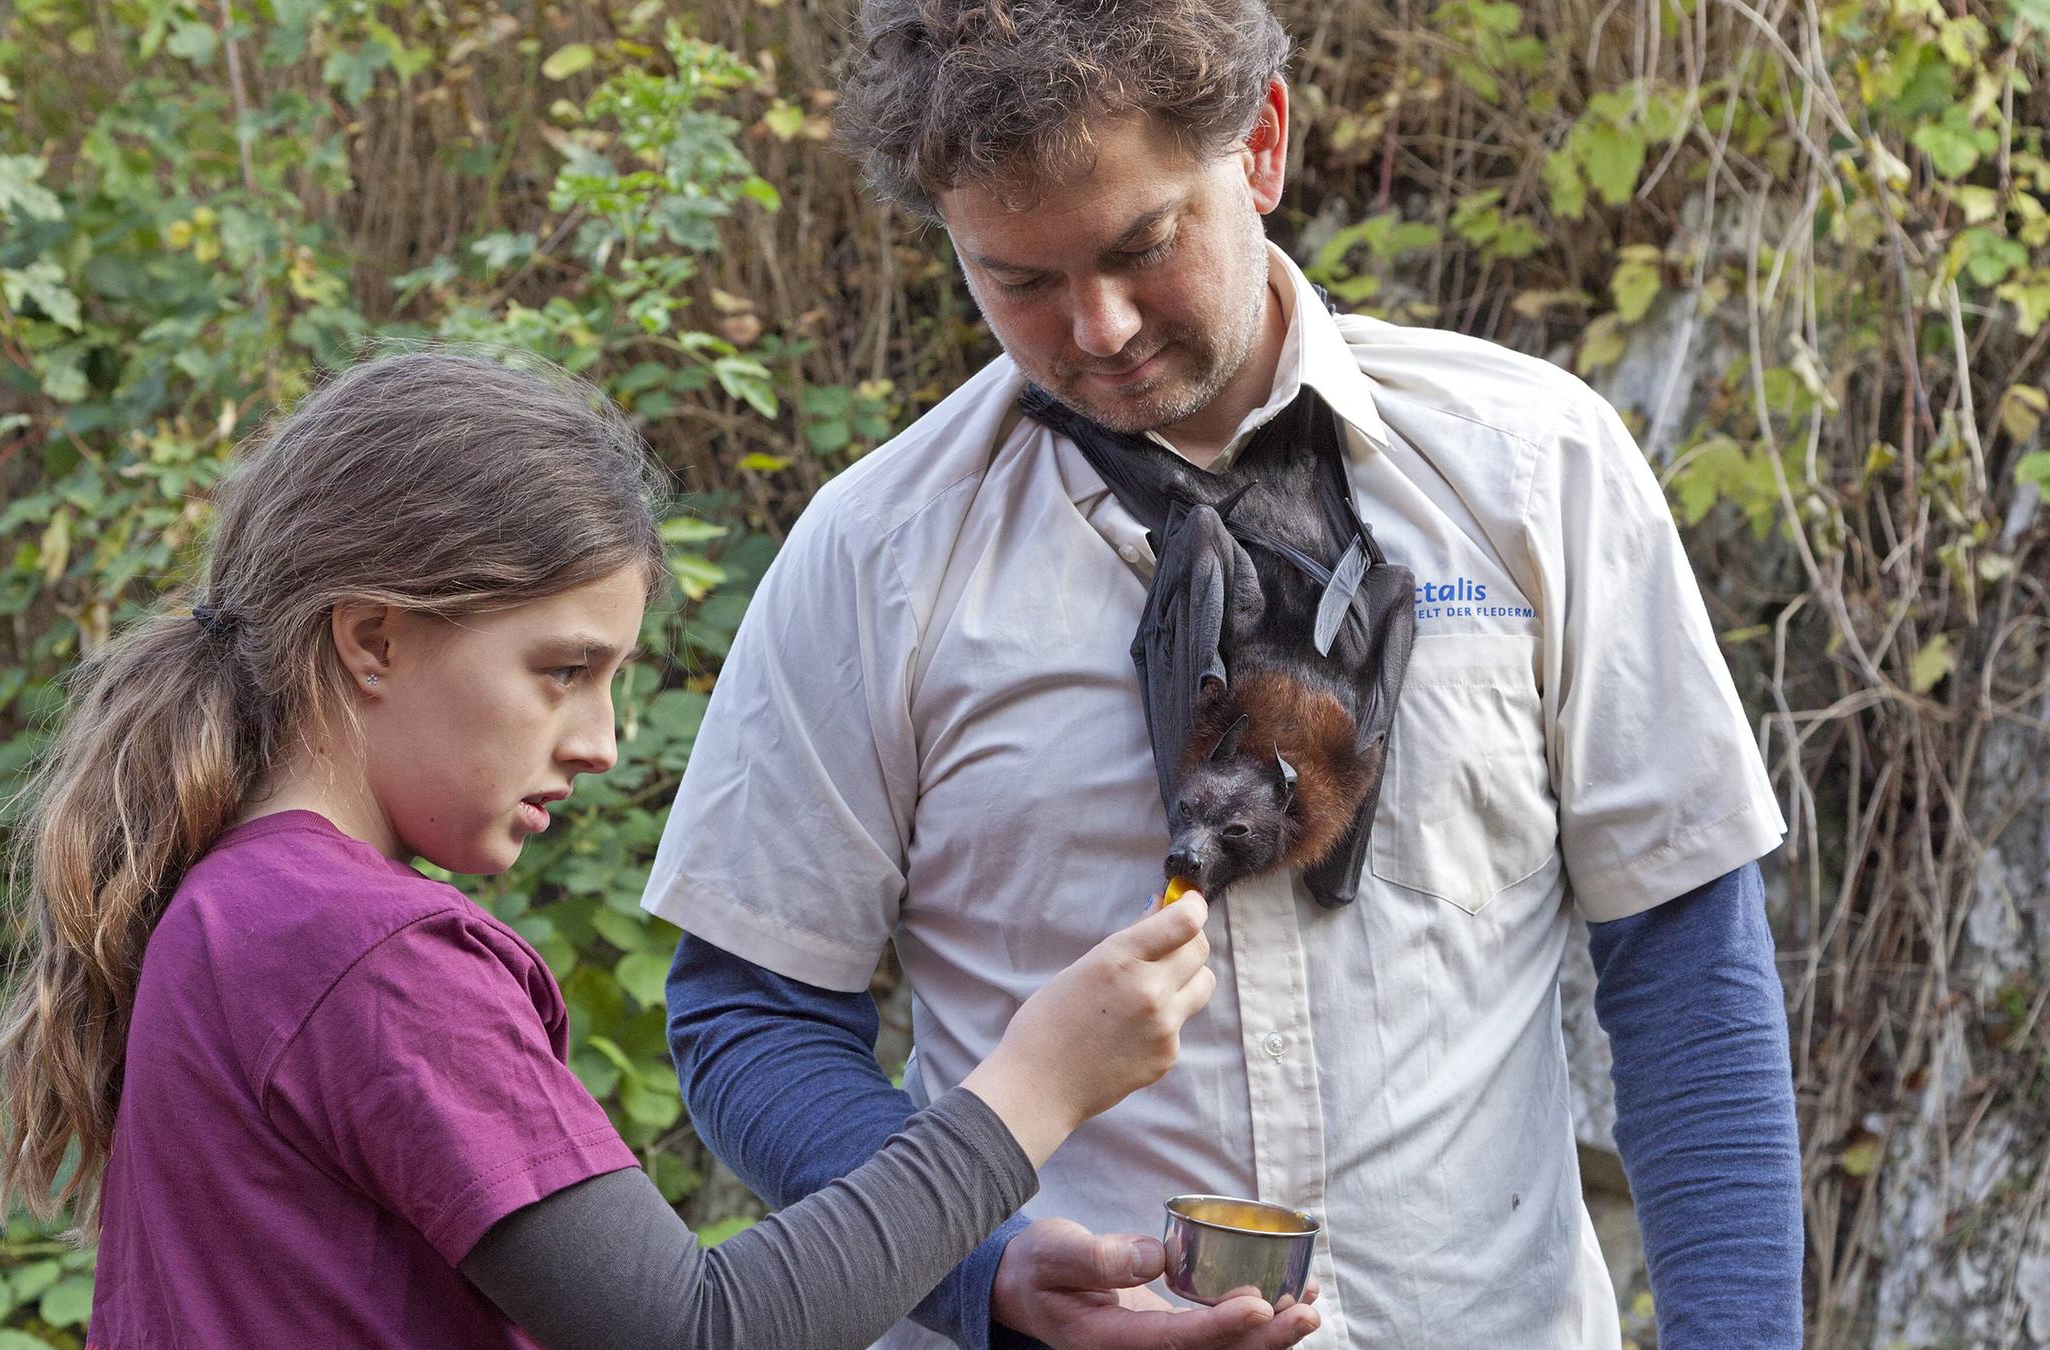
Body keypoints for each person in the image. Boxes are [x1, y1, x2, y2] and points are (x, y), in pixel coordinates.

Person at [643, 3, 1804, 1348]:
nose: (1098, 327)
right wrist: (984, 1270)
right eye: (1017, 279)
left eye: (1143, 244)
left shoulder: (1536, 470)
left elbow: (1686, 958)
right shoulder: (877, 555)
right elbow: (751, 1014)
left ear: (1260, 144)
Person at [0, 350, 1233, 1350]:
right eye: (561, 671)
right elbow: (703, 1328)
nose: (604, 742)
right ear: (374, 638)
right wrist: (1035, 1087)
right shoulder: (368, 954)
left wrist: (986, 1260)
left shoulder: (237, 905)